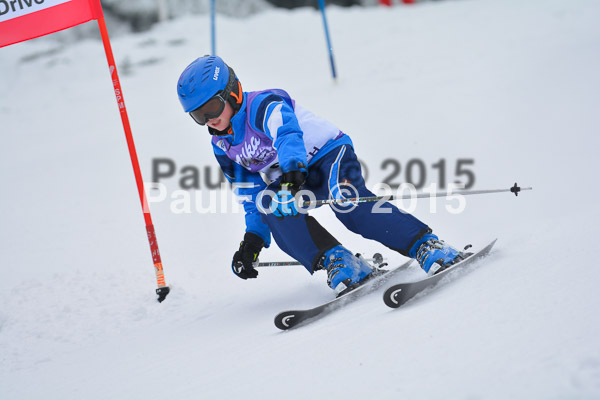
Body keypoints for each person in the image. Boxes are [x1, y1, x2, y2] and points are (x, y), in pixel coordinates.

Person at [177, 55, 466, 296]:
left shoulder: (264, 105)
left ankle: (426, 245)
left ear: (232, 91)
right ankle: (339, 260)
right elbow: (250, 194)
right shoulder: (222, 145)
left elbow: (287, 133)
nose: (208, 120)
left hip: (327, 155)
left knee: (347, 203)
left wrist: (292, 171)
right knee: (270, 205)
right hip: (294, 177)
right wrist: (252, 240)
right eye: (197, 116)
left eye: (211, 108)